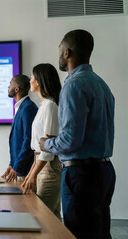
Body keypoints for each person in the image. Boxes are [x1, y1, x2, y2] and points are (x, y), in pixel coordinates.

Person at [40, 29, 115, 238]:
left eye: (60, 49)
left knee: (79, 233)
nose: (59, 54)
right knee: (100, 232)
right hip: (104, 170)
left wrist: (47, 144)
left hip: (82, 175)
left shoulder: (73, 85)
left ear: (67, 52)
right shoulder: (101, 84)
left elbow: (71, 139)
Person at [21, 63, 62, 220]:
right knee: (53, 218)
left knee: (41, 219)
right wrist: (31, 174)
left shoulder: (50, 106)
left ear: (39, 81)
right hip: (41, 165)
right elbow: (38, 151)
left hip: (49, 168)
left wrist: (33, 175)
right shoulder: (44, 105)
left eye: (31, 77)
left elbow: (47, 150)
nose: (30, 81)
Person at [2, 75, 38, 182]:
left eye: (10, 84)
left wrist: (17, 166)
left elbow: (28, 141)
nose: (8, 87)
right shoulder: (21, 107)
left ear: (16, 89)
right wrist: (12, 164)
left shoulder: (28, 108)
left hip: (25, 172)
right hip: (19, 170)